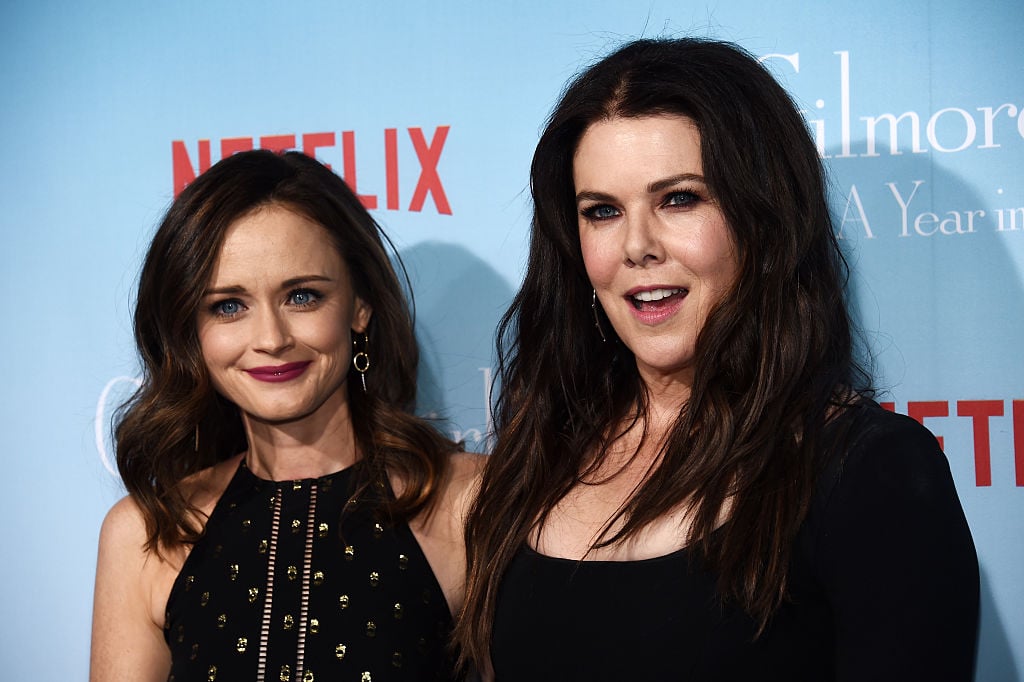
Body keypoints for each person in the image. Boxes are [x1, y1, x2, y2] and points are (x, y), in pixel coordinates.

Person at [456, 38, 979, 681]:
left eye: (679, 199)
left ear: (764, 221)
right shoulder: (539, 453)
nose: (637, 246)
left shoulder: (868, 471)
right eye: (602, 211)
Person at [90, 149, 481, 682]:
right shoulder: (145, 533)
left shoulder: (469, 504)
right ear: (190, 331)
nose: (272, 339)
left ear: (359, 308)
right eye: (228, 306)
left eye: (302, 296)